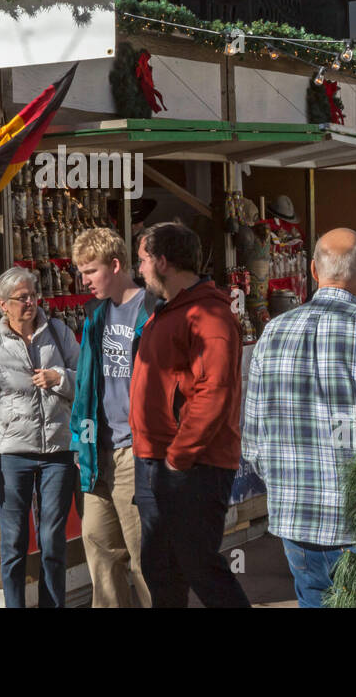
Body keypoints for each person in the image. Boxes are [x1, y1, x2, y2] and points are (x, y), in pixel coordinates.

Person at [243, 228, 356, 607]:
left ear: (315, 272)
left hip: (296, 521)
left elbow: (253, 439)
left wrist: (287, 485)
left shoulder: (272, 333)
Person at [131, 222, 250, 608]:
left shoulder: (207, 315)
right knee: (162, 570)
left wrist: (177, 459)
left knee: (200, 568)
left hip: (191, 466)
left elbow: (214, 392)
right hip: (161, 461)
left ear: (163, 261)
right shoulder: (169, 311)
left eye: (143, 260)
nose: (140, 270)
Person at [0, 266, 79, 607]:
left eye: (33, 295)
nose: (30, 302)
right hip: (12, 454)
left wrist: (60, 378)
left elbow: (85, 379)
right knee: (13, 541)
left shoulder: (58, 332)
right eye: (22, 297)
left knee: (52, 540)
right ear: (3, 304)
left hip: (58, 449)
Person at [71, 227, 158, 607]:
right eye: (81, 272)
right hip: (96, 450)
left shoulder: (152, 309)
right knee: (101, 554)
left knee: (144, 559)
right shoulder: (96, 315)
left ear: (117, 265)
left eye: (90, 271)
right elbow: (87, 385)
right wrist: (80, 438)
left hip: (135, 450)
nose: (84, 280)